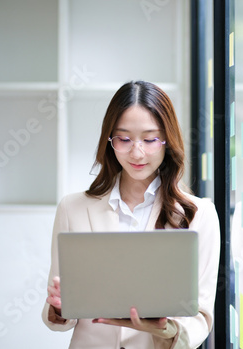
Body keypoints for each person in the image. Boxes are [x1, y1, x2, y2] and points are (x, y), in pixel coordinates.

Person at [42, 80, 221, 348]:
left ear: (167, 141)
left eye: (150, 139)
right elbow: (60, 313)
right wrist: (58, 308)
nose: (137, 152)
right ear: (109, 140)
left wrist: (167, 328)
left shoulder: (199, 214)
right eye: (124, 139)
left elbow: (202, 315)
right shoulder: (72, 209)